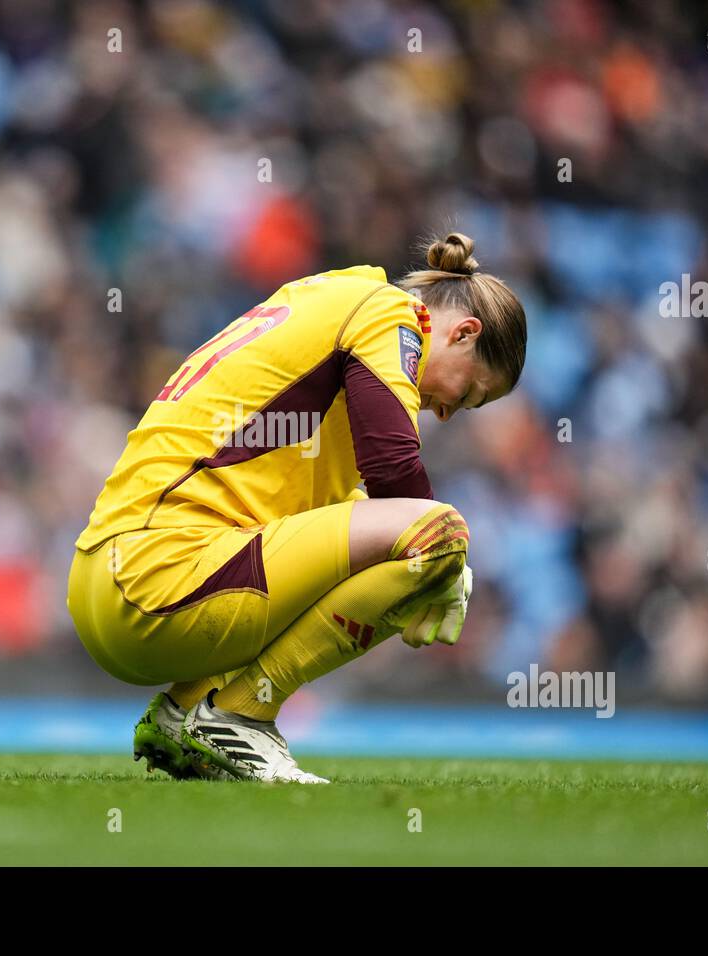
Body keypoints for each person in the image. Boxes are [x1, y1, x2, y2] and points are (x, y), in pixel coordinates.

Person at [66, 231, 527, 782]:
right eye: (469, 392)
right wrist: (445, 568)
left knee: (395, 534)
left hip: (104, 580)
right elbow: (392, 468)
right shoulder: (391, 314)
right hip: (158, 580)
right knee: (441, 534)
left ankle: (185, 710)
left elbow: (339, 508)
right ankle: (241, 715)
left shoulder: (322, 296)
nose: (450, 412)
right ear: (464, 332)